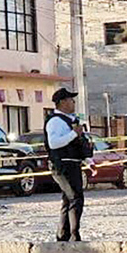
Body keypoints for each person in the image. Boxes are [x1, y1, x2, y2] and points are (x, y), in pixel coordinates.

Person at [44, 87, 93, 242]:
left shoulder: (70, 120)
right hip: (63, 165)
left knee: (68, 199)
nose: (73, 103)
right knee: (75, 198)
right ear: (62, 102)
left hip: (72, 164)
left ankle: (63, 235)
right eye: (71, 100)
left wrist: (88, 160)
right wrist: (74, 134)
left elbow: (76, 145)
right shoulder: (55, 122)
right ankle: (74, 235)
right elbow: (54, 143)